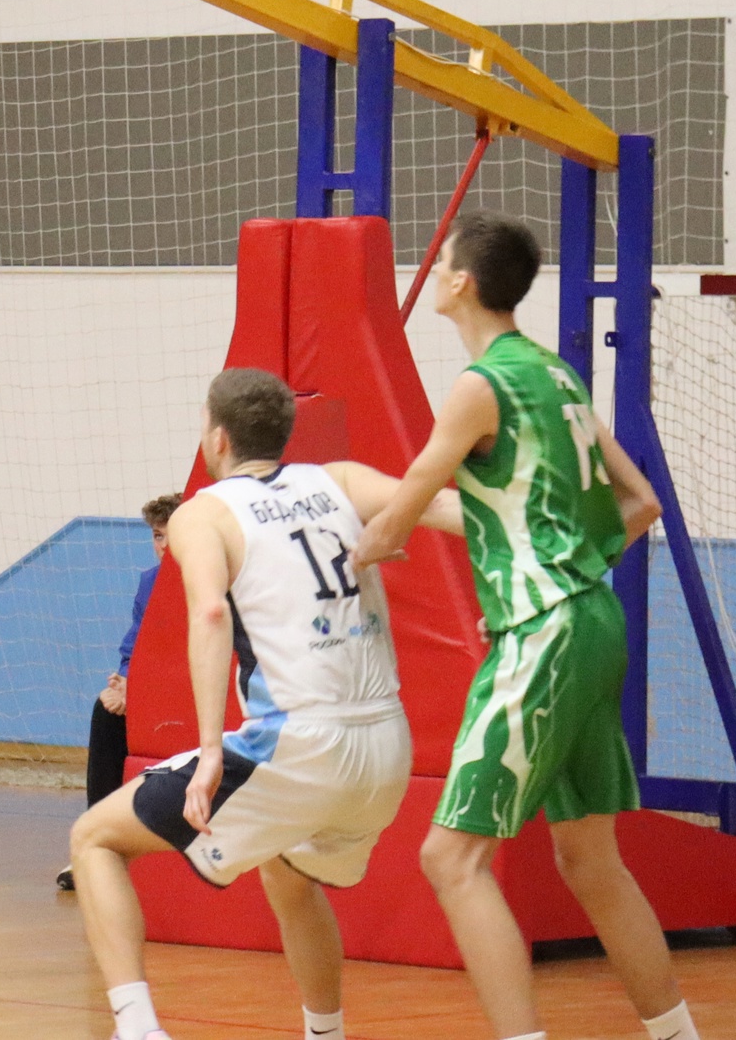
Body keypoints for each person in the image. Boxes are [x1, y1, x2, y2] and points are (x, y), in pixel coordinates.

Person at [354, 212, 695, 1040]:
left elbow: (399, 515)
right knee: (591, 861)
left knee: (449, 857)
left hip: (544, 628)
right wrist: (562, 564)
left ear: (461, 282)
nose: (434, 270)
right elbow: (642, 500)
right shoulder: (558, 374)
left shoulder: (480, 386)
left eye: (441, 262)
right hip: (594, 619)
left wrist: (350, 550)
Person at [66, 368, 462, 1040]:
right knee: (287, 870)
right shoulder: (340, 480)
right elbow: (452, 510)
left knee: (93, 839)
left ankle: (137, 1029)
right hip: (387, 750)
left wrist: (210, 752)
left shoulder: (202, 513)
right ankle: (325, 1033)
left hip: (301, 745)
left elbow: (210, 614)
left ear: (218, 437)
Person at [58, 494, 182, 891]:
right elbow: (134, 649)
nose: (164, 546)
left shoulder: (216, 581)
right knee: (105, 711)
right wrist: (128, 682)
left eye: (172, 534)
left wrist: (143, 688)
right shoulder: (150, 582)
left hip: (194, 693)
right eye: (158, 536)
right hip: (153, 691)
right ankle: (97, 849)